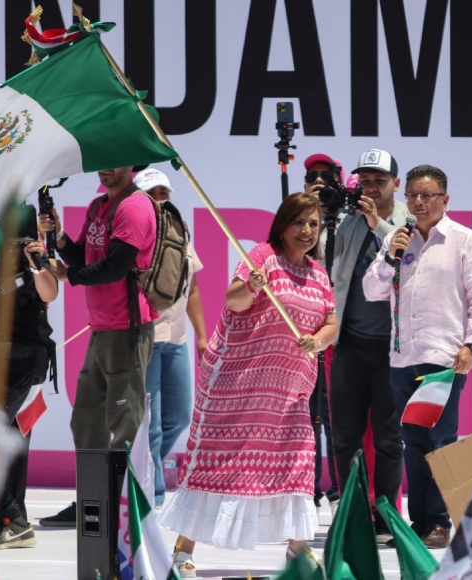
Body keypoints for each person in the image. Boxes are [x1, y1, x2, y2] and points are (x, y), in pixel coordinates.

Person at [159, 192, 337, 574]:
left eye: (314, 225)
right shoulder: (261, 256)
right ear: (283, 225)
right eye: (299, 223)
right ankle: (183, 551)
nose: (307, 231)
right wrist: (253, 285)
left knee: (295, 464)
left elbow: (331, 322)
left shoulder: (319, 273)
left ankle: (298, 550)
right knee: (218, 462)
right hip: (240, 386)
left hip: (289, 394)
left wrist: (318, 340)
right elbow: (234, 301)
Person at [363, 164, 472, 549]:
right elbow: (372, 290)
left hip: (443, 358)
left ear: (444, 200)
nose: (418, 203)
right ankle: (420, 524)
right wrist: (390, 258)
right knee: (412, 443)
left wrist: (471, 345)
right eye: (413, 196)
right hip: (403, 359)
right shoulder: (396, 240)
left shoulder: (463, 240)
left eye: (427, 196)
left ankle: (439, 521)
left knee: (440, 442)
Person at [39, 167, 158, 526]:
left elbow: (117, 267)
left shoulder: (134, 206)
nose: (107, 168)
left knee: (125, 424)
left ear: (131, 165)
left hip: (128, 328)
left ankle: (124, 509)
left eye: (116, 161)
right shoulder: (97, 207)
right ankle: (93, 501)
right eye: (103, 161)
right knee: (86, 420)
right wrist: (59, 238)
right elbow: (84, 258)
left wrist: (67, 276)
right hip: (103, 327)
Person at [0, 204, 59, 549]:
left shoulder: (33, 257)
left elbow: (50, 292)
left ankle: (8, 517)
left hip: (21, 364)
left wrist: (36, 263)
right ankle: (0, 515)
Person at [324, 149, 409, 541]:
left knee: (389, 437)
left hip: (393, 349)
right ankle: (355, 509)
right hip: (351, 343)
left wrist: (378, 223)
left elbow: (407, 261)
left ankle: (387, 516)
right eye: (365, 180)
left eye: (379, 180)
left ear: (396, 182)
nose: (371, 188)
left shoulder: (412, 220)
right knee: (344, 434)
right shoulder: (347, 222)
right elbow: (330, 265)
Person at [133, 167, 208, 509]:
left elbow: (191, 289)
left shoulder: (180, 233)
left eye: (163, 193)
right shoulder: (132, 234)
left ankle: (135, 474)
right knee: (150, 424)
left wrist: (202, 337)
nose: (159, 199)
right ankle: (154, 496)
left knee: (177, 417)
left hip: (175, 339)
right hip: (145, 337)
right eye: (152, 194)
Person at [301, 153, 343, 513]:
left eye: (325, 177)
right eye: (311, 177)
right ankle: (306, 490)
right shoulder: (299, 223)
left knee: (337, 417)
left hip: (340, 334)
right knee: (306, 417)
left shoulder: (347, 220)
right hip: (303, 335)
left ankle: (342, 491)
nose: (318, 182)